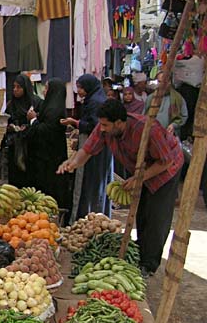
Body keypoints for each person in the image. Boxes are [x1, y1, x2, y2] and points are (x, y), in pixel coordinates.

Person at [57, 99, 184, 277]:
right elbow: (87, 150)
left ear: (119, 123)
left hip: (165, 170)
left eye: (105, 125)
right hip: (140, 170)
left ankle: (149, 264)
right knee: (142, 212)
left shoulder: (147, 129)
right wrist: (72, 163)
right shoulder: (105, 129)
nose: (101, 128)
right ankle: (141, 253)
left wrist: (140, 177)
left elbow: (166, 161)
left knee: (156, 216)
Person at [62, 74, 113, 221]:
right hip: (96, 147)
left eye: (80, 87)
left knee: (89, 182)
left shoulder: (95, 102)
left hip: (94, 148)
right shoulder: (94, 99)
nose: (79, 91)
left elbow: (95, 127)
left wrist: (75, 123)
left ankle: (88, 216)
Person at [25, 77, 72, 218]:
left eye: (46, 88)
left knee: (50, 187)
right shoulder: (51, 106)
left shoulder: (54, 110)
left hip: (50, 158)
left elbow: (45, 132)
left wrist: (33, 119)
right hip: (48, 155)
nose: (44, 91)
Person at [3, 74, 43, 188]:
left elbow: (41, 123)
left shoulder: (36, 103)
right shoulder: (12, 104)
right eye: (14, 87)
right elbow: (5, 121)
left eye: (18, 87)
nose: (15, 90)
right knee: (16, 180)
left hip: (31, 148)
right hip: (15, 147)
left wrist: (30, 124)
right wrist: (10, 127)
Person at [144, 72, 188, 138]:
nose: (161, 84)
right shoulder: (151, 98)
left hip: (170, 135)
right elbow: (144, 115)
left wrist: (174, 125)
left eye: (164, 81)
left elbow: (183, 116)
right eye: (159, 81)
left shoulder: (178, 98)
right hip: (152, 135)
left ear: (169, 82)